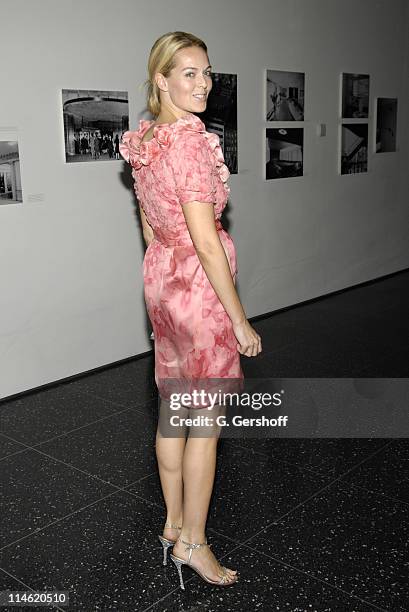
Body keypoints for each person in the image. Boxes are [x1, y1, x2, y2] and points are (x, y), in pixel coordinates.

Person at [119, 31, 262, 589]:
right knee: (204, 423)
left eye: (206, 72)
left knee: (172, 410)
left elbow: (151, 227)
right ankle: (194, 544)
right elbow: (205, 240)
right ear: (162, 79)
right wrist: (240, 317)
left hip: (161, 281)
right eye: (188, 73)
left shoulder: (146, 139)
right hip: (200, 291)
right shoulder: (190, 143)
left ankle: (173, 521)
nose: (202, 84)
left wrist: (165, 275)